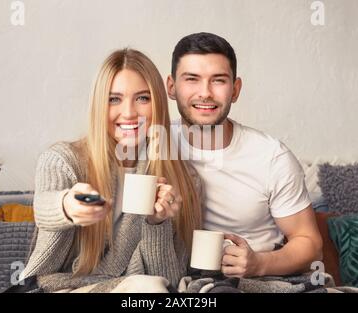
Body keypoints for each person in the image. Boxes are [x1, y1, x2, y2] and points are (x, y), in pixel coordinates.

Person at [20, 48, 202, 292]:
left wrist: (156, 224)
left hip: (137, 292)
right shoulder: (64, 160)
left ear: (158, 103)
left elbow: (168, 281)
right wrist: (67, 206)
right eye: (114, 99)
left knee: (152, 288)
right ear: (99, 105)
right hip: (59, 287)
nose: (128, 113)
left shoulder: (183, 178)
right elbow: (44, 205)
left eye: (142, 98)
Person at [167, 32, 323, 278]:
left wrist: (260, 264)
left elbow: (311, 245)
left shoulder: (272, 157)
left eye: (218, 80)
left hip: (257, 279)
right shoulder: (151, 146)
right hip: (178, 280)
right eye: (192, 79)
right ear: (172, 87)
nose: (205, 93)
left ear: (235, 89)